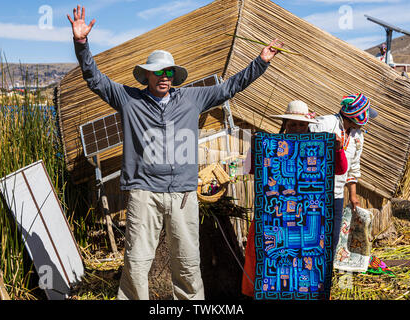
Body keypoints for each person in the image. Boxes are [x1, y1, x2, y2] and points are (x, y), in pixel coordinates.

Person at [67, 6, 284, 300]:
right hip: (145, 193)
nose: (164, 77)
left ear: (174, 75)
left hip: (183, 194)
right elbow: (95, 79)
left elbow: (231, 87)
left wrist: (261, 62)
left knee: (188, 262)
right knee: (136, 262)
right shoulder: (129, 100)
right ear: (147, 76)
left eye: (169, 72)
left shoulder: (192, 98)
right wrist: (81, 44)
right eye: (158, 73)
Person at [241, 100, 348, 297]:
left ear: (308, 125)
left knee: (307, 261)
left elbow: (341, 169)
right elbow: (249, 169)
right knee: (270, 257)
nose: (297, 128)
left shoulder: (320, 147)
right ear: (285, 125)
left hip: (307, 218)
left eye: (301, 124)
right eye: (292, 124)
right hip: (275, 216)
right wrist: (257, 148)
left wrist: (338, 149)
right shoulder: (270, 147)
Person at [309, 93, 378, 252]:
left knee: (333, 236)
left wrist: (353, 196)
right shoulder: (324, 124)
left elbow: (353, 166)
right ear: (357, 116)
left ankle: (327, 272)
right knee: (313, 233)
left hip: (337, 193)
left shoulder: (357, 136)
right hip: (314, 191)